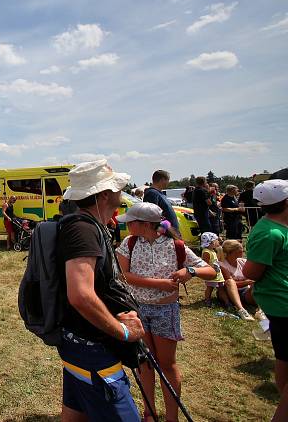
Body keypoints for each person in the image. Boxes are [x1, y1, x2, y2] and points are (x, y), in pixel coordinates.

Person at [56, 159, 145, 422]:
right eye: (117, 186)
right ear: (105, 194)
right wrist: (124, 332)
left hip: (80, 344)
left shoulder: (89, 226)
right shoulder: (83, 230)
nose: (121, 191)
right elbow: (80, 295)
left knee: (76, 415)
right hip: (93, 348)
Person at [115, 202, 216, 422]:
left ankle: (172, 417)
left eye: (130, 222)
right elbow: (123, 275)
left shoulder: (175, 245)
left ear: (143, 224)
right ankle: (149, 412)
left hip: (165, 310)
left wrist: (191, 270)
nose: (127, 226)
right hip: (138, 309)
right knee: (145, 363)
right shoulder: (130, 243)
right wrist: (158, 283)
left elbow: (211, 271)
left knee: (167, 364)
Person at [242, 179, 288, 422]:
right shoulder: (270, 233)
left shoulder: (274, 226)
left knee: (283, 358)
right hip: (282, 303)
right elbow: (250, 272)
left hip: (281, 303)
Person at [218, 239, 259, 319]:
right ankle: (241, 310)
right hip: (229, 292)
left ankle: (261, 309)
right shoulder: (222, 264)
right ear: (231, 252)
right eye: (240, 251)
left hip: (245, 292)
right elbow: (230, 283)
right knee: (230, 282)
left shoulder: (243, 261)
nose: (243, 253)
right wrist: (248, 281)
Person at [143, 170, 181, 239]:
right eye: (168, 180)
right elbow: (153, 217)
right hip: (165, 236)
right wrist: (166, 231)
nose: (168, 183)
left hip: (170, 234)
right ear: (162, 180)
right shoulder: (152, 193)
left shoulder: (157, 193)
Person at [199, 232, 227, 308]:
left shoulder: (213, 251)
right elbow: (205, 263)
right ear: (211, 242)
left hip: (218, 273)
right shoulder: (206, 252)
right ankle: (207, 300)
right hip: (211, 274)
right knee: (210, 288)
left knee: (221, 288)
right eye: (216, 240)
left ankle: (227, 302)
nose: (218, 241)